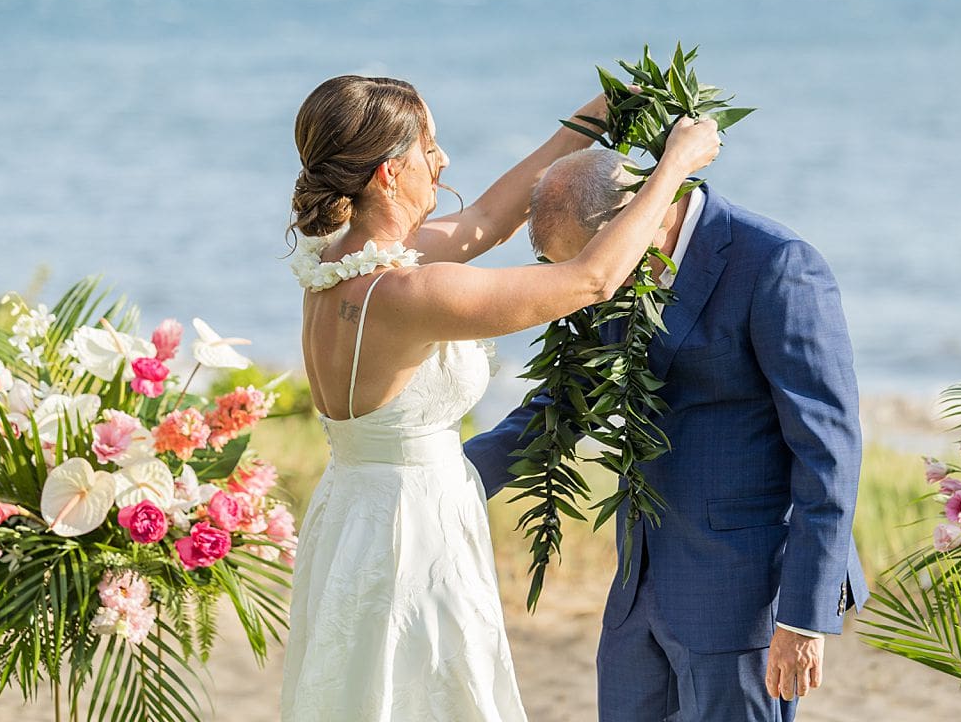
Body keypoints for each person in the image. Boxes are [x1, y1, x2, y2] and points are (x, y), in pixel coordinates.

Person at [278, 75, 724, 721]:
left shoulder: (338, 261)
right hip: (410, 530)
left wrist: (595, 114)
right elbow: (591, 280)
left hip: (355, 513)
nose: (443, 160)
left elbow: (487, 220)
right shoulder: (406, 294)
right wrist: (675, 165)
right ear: (388, 172)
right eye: (429, 146)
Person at [465, 148, 869, 722]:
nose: (588, 287)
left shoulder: (776, 264)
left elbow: (828, 450)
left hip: (743, 593)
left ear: (638, 219)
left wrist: (803, 619)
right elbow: (566, 400)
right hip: (639, 585)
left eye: (589, 266)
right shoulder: (605, 272)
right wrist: (448, 480)